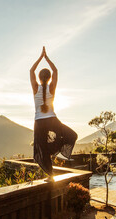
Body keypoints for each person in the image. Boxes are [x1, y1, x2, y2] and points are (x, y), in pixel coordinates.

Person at [30, 46, 78, 181]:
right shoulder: (52, 88)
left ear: (39, 78)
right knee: (72, 135)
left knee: (42, 148)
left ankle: (50, 175)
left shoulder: (35, 88)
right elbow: (55, 70)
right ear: (49, 78)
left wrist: (40, 57)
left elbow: (31, 70)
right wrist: (47, 58)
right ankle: (54, 151)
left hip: (39, 122)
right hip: (52, 120)